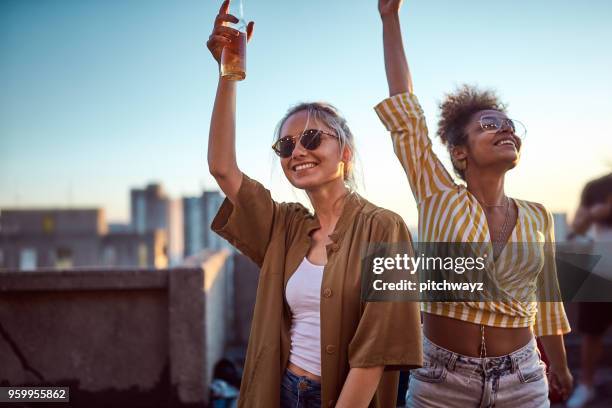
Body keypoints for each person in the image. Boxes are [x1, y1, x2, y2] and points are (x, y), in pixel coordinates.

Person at [206, 1, 422, 407]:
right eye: (286, 145)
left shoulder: (386, 228)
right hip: (281, 390)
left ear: (345, 153)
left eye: (311, 138)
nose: (296, 152)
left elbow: (375, 351)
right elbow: (222, 168)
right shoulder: (284, 226)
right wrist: (227, 74)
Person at [375, 0, 573, 406]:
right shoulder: (437, 195)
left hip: (524, 377)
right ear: (460, 152)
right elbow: (406, 114)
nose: (505, 129)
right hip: (440, 380)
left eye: (508, 124)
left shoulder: (537, 215)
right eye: (488, 124)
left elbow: (547, 302)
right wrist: (390, 18)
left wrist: (561, 367)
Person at [566, 173, 612, 408]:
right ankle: (586, 386)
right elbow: (576, 227)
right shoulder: (596, 187)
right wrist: (596, 213)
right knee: (590, 333)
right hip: (601, 272)